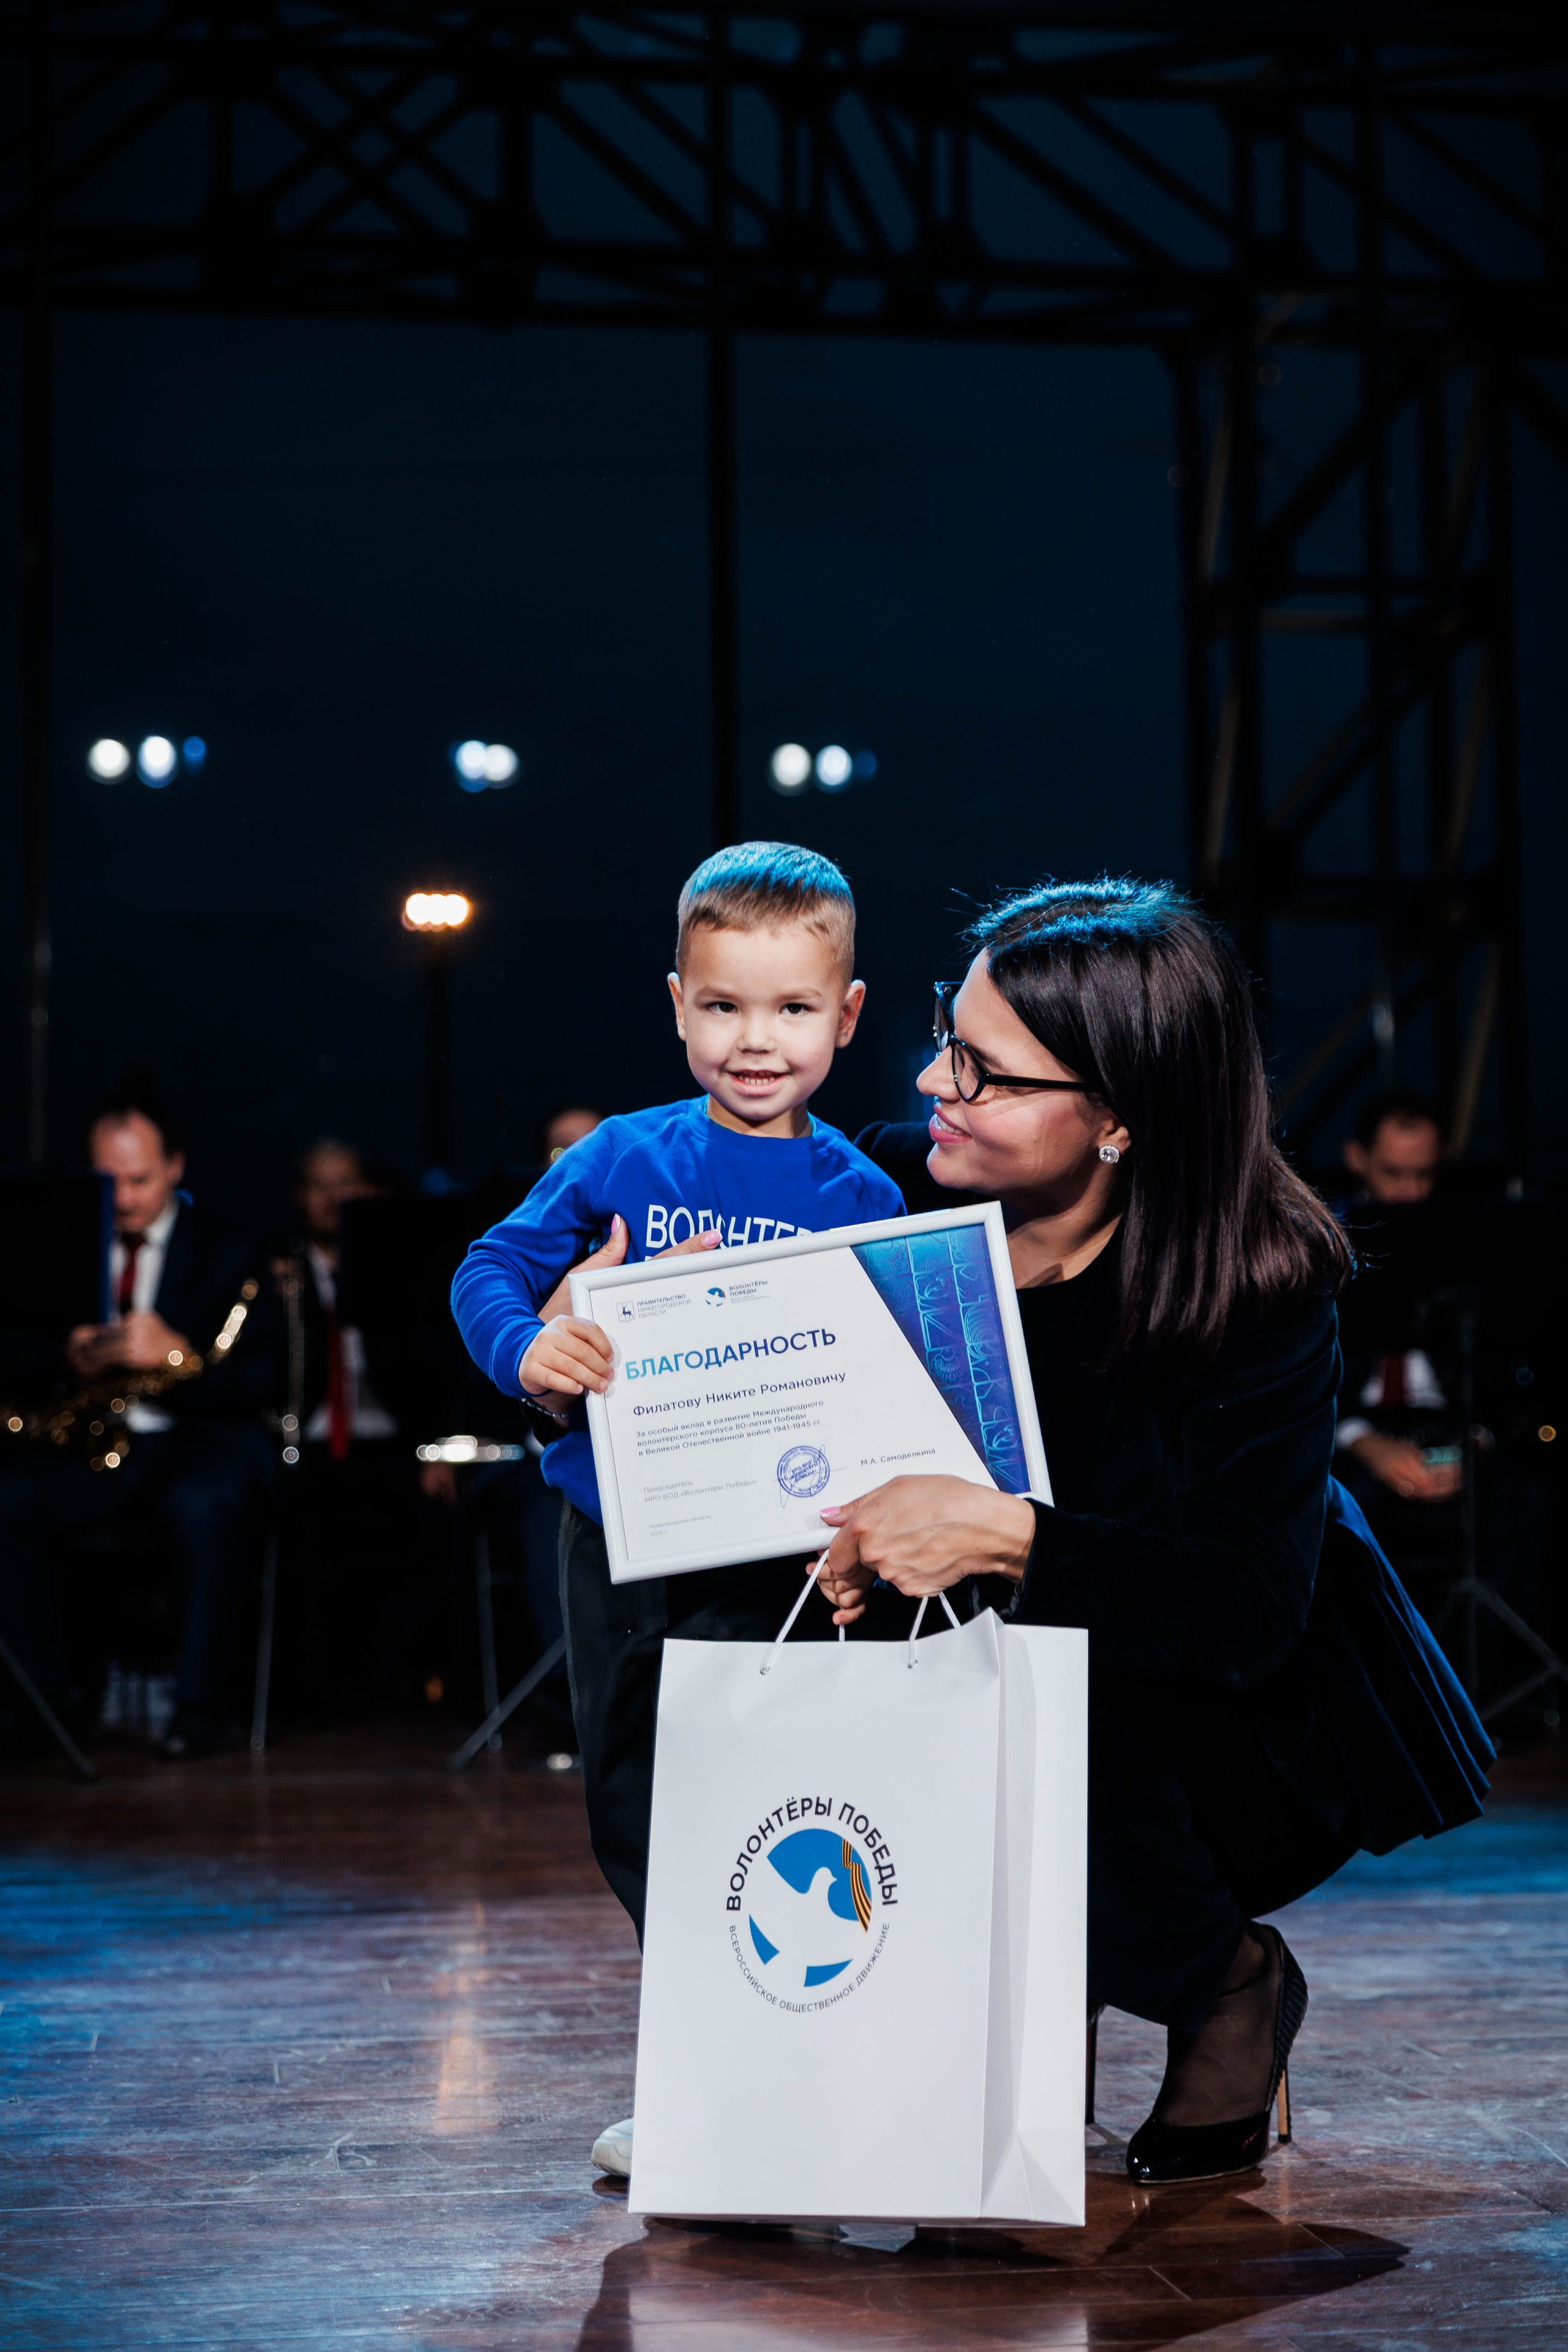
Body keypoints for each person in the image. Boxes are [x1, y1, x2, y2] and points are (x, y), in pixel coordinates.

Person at [823, 880, 1490, 2187]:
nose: (928, 1080)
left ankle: (1224, 1980)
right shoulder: (897, 1205)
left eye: (983, 1072)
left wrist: (1006, 1537)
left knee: (1047, 1707)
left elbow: (1239, 1608)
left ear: (1121, 1117)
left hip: (1232, 1716)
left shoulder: (1258, 1282)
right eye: (945, 1039)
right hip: (995, 1673)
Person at [451, 841, 905, 2176]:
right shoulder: (616, 1159)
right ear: (674, 1003)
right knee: (632, 1803)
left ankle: (790, 2066)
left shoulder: (865, 1199)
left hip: (783, 1562)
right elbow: (491, 1267)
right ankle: (706, 2063)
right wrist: (527, 1351)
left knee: (782, 1810)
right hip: (623, 1543)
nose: (753, 1042)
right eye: (721, 1006)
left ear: (848, 1014)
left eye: (790, 1009)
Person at [0, 1091, 280, 1758]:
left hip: (197, 1440)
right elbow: (12, 1351)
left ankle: (198, 1710)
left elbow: (259, 1385)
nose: (123, 1198)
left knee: (205, 1504)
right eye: (108, 1181)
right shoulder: (57, 1247)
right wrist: (63, 1357)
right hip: (93, 1443)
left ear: (175, 1167)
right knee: (9, 1501)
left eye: (139, 1179)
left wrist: (176, 1355)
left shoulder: (232, 1249)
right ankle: (52, 1707)